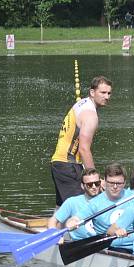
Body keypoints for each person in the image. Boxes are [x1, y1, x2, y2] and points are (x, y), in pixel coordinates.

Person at [49, 75, 112, 205]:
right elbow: (84, 149)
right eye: (103, 92)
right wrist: (95, 179)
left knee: (62, 208)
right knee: (80, 208)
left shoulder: (81, 103)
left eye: (109, 93)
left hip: (59, 163)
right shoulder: (90, 115)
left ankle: (53, 225)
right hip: (69, 165)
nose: (107, 97)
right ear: (92, 92)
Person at [69, 162, 134, 252]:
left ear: (124, 183)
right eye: (111, 183)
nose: (115, 187)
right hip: (114, 248)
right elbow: (77, 218)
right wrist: (72, 222)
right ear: (104, 181)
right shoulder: (95, 203)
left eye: (119, 183)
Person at [48, 168, 102, 242]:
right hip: (79, 243)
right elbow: (52, 221)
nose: (94, 187)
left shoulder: (107, 201)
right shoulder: (72, 202)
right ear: (82, 186)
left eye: (97, 183)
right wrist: (55, 236)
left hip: (103, 242)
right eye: (89, 184)